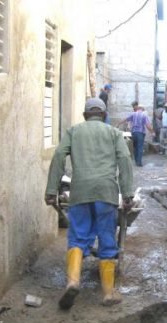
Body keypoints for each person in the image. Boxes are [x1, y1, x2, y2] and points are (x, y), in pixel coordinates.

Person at [44, 97, 134, 310]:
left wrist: (51, 190)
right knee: (106, 239)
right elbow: (124, 160)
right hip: (106, 193)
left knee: (77, 237)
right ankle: (108, 292)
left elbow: (58, 155)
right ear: (103, 115)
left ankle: (73, 281)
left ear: (85, 115)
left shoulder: (74, 132)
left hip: (80, 192)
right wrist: (128, 193)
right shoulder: (113, 133)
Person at [117, 101, 154, 167]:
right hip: (140, 133)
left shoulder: (133, 114)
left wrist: (118, 124)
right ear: (142, 109)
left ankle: (136, 160)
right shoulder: (144, 115)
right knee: (140, 147)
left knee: (135, 147)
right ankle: (139, 162)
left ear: (138, 108)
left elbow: (125, 119)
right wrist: (152, 132)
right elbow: (148, 125)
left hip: (134, 132)